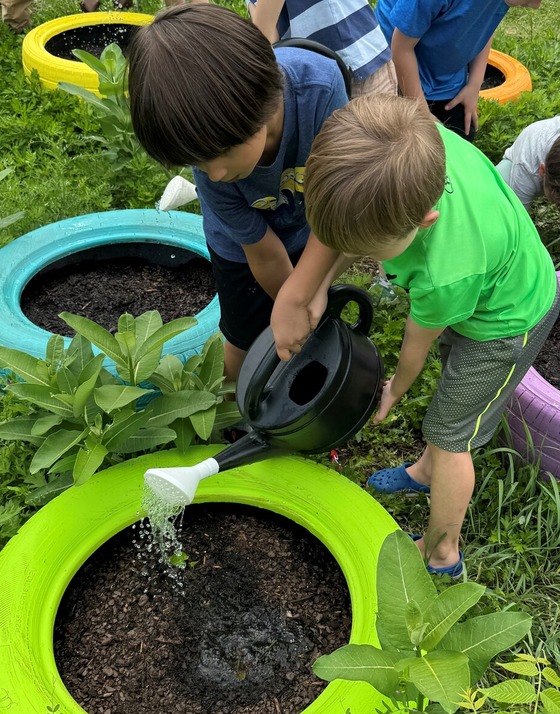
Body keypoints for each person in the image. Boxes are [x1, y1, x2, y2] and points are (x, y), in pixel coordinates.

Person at [270, 94, 560, 577]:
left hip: (509, 322)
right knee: (451, 382)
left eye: (370, 251)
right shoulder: (416, 147)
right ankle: (425, 473)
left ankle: (443, 552)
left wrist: (394, 390)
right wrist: (311, 287)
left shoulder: (445, 270)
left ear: (424, 222)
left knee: (451, 435)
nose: (370, 262)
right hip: (487, 289)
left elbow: (414, 347)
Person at [127, 4, 347, 381]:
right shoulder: (213, 168)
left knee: (309, 306)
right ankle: (236, 405)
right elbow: (262, 253)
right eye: (197, 163)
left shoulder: (320, 90)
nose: (213, 174)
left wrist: (304, 297)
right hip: (241, 250)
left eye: (220, 156)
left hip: (313, 224)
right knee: (243, 334)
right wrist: (289, 303)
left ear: (255, 103)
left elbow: (338, 207)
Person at [374, 0, 543, 142]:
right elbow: (401, 47)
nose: (536, 6)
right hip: (396, 65)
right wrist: (422, 113)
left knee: (461, 138)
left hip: (444, 70)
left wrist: (474, 85)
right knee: (406, 148)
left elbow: (484, 23)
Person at [247, 0, 398, 98]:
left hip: (361, 64)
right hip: (311, 82)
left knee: (382, 142)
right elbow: (267, 36)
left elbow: (264, 36)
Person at [496, 116, 560, 209]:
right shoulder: (526, 169)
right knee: (500, 198)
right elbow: (520, 216)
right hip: (516, 165)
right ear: (542, 170)